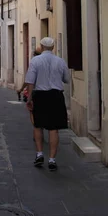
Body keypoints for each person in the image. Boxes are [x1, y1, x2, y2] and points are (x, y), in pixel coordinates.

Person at [22, 37, 69, 171]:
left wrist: (29, 99)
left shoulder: (35, 61)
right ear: (53, 47)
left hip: (40, 95)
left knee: (38, 126)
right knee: (54, 129)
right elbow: (66, 79)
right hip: (56, 96)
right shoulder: (60, 61)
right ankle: (52, 159)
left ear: (41, 47)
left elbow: (30, 81)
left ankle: (39, 154)